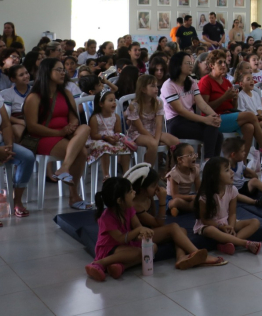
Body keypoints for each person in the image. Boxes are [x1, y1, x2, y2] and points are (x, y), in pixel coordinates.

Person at [23, 58, 91, 209]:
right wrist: (59, 131)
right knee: (81, 153)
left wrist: (70, 128)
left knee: (85, 128)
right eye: (58, 70)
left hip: (65, 134)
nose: (63, 73)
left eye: (63, 70)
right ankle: (74, 196)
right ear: (47, 72)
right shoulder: (34, 97)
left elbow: (74, 118)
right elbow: (32, 127)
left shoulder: (66, 93)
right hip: (43, 137)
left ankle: (64, 168)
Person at [84, 177, 157, 281]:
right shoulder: (106, 217)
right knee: (137, 253)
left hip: (125, 245)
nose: (134, 193)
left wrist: (141, 234)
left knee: (152, 248)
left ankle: (120, 266)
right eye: (130, 192)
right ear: (119, 200)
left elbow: (137, 225)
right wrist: (138, 230)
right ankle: (100, 263)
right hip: (109, 248)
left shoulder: (129, 208)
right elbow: (121, 238)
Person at [199, 50, 262, 155]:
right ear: (211, 65)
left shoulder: (226, 82)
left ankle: (242, 162)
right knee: (250, 116)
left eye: (224, 62)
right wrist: (224, 97)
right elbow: (204, 107)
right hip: (214, 119)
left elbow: (233, 106)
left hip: (229, 115)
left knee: (249, 127)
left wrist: (234, 98)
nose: (223, 65)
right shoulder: (205, 81)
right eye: (219, 62)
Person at [193, 157, 262, 255]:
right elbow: (205, 220)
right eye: (227, 170)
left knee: (255, 222)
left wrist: (231, 227)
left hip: (226, 222)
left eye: (230, 169)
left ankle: (229, 243)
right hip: (211, 224)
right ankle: (244, 243)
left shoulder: (232, 190)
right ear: (215, 176)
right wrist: (220, 226)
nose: (232, 172)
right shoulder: (205, 196)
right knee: (210, 230)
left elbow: (232, 213)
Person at [162, 53, 223, 162]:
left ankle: (212, 163)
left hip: (190, 120)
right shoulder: (169, 85)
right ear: (178, 65)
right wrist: (205, 119)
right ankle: (209, 162)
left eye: (191, 63)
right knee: (212, 131)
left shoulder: (191, 81)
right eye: (187, 63)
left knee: (217, 134)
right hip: (175, 123)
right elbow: (180, 111)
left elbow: (202, 104)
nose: (191, 65)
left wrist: (214, 116)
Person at [0, 103, 35, 219]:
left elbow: (5, 124)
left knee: (27, 157)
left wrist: (8, 146)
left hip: (2, 142)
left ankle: (17, 200)